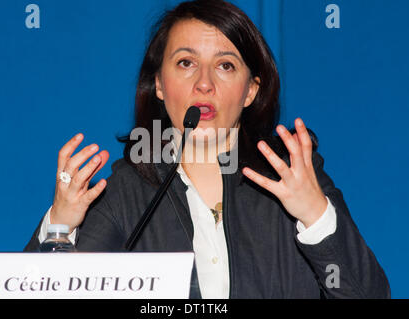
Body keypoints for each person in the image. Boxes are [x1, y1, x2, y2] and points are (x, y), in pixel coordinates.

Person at [24, 0, 390, 299]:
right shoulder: (126, 191)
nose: (204, 84)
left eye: (225, 66)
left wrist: (315, 215)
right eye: (186, 63)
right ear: (160, 86)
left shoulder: (290, 174)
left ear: (250, 91)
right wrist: (60, 225)